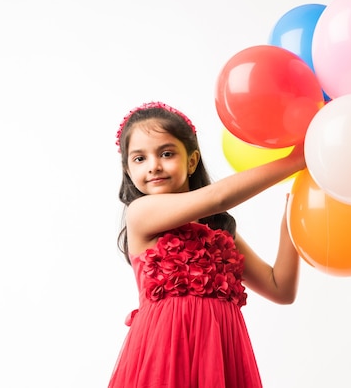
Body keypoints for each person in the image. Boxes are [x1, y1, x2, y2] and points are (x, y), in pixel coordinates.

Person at [108, 101, 305, 388]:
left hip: (221, 356)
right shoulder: (141, 214)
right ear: (128, 169)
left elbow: (280, 288)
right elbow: (218, 197)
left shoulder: (219, 231)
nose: (154, 166)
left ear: (191, 161)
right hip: (165, 357)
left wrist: (295, 215)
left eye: (166, 153)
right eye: (140, 159)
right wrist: (296, 160)